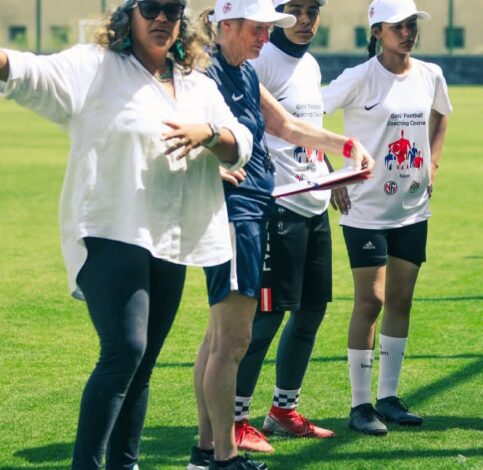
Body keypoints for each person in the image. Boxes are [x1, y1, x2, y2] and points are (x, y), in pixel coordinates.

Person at [0, 1, 254, 468]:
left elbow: (240, 143)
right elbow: (33, 73)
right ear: (129, 14)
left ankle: (124, 464)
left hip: (169, 236)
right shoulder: (96, 68)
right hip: (109, 229)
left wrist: (209, 134)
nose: (161, 19)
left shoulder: (198, 86)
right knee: (125, 350)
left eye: (171, 10)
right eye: (151, 8)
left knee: (142, 364)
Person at [188, 0, 374, 467]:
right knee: (232, 339)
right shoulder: (205, 74)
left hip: (257, 210)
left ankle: (208, 451)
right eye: (257, 28)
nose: (264, 37)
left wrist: (347, 146)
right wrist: (207, 167)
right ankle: (223, 452)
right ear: (227, 24)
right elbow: (176, 129)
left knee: (221, 339)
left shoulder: (245, 74)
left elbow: (287, 125)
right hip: (240, 213)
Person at [321, 0, 450, 436]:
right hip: (365, 210)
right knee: (370, 301)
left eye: (412, 25)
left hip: (412, 209)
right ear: (377, 32)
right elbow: (305, 118)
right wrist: (331, 174)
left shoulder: (430, 74)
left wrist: (433, 163)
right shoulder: (359, 77)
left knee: (400, 300)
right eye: (398, 26)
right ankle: (360, 405)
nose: (408, 32)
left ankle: (388, 398)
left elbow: (441, 115)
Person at [230, 0, 336, 454]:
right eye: (296, 9)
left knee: (311, 311)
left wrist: (331, 172)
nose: (305, 19)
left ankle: (283, 411)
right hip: (278, 207)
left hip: (315, 205)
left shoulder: (310, 65)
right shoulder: (262, 61)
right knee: (266, 317)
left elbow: (306, 130)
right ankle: (235, 419)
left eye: (313, 10)